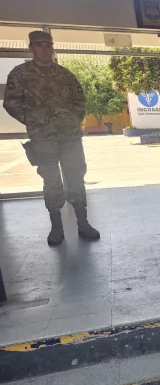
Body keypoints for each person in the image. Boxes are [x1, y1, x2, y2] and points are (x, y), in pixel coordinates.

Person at [3, 30, 100, 245]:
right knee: (51, 180)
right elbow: (11, 102)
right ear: (31, 48)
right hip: (43, 138)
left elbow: (79, 99)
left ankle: (83, 223)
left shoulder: (65, 75)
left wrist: (73, 119)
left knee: (76, 176)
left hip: (70, 137)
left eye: (48, 44)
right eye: (40, 44)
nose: (45, 48)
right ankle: (56, 227)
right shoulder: (20, 74)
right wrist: (33, 121)